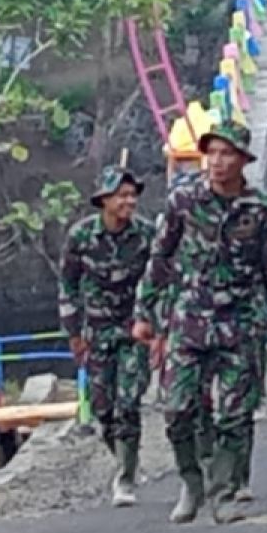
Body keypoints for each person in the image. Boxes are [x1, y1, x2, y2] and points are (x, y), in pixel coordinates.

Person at [133, 121, 267, 525]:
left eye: (227, 154)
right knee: (177, 410)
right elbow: (161, 255)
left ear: (243, 159)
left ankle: (223, 493)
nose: (218, 161)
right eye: (213, 153)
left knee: (235, 416)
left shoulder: (262, 210)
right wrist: (144, 311)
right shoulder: (184, 199)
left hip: (240, 324)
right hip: (189, 321)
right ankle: (192, 481)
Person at [58, 165, 155, 507]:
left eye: (133, 195)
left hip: (135, 330)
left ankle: (125, 479)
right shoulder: (81, 237)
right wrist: (73, 333)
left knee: (128, 402)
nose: (129, 201)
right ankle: (126, 459)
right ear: (104, 200)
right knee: (103, 408)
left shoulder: (147, 234)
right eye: (122, 195)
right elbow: (68, 284)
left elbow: (161, 279)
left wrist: (157, 328)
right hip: (97, 332)